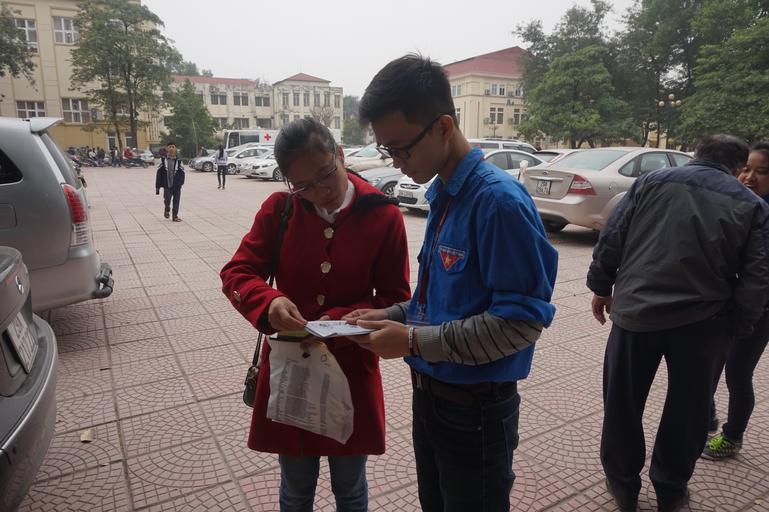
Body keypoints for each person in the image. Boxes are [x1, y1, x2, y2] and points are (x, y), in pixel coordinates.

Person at [344, 55, 558, 511]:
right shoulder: (444, 194)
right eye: (387, 151)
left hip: (475, 412)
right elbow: (441, 303)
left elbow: (521, 324)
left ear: (443, 127)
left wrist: (411, 341)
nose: (396, 162)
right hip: (431, 400)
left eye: (402, 149)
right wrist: (390, 316)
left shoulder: (497, 202)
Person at [220, 118, 410, 512]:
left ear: (339, 154)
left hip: (351, 371)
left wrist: (347, 318)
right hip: (292, 370)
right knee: (296, 488)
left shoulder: (382, 215)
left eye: (325, 175)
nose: (320, 192)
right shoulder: (281, 210)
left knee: (350, 488)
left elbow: (396, 298)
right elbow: (238, 272)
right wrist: (268, 301)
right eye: (303, 186)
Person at [587, 134, 769, 512]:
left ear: (695, 155)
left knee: (622, 404)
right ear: (737, 167)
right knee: (688, 413)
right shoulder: (751, 205)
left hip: (635, 315)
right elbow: (757, 277)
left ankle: (623, 485)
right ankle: (670, 490)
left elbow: (613, 237)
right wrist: (740, 324)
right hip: (704, 324)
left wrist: (601, 286)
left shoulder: (650, 182)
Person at [703, 141, 769, 460]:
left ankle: (732, 437)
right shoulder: (738, 204)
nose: (750, 177)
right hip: (724, 304)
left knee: (738, 372)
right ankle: (706, 417)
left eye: (762, 171)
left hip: (757, 310)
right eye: (746, 169)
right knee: (710, 364)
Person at [155, 143, 185, 222]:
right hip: (167, 185)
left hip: (176, 185)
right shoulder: (163, 160)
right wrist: (157, 187)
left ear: (175, 149)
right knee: (167, 200)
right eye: (170, 147)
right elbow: (159, 173)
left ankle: (175, 216)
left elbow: (182, 173)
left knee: (176, 201)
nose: (171, 148)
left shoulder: (179, 161)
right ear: (167, 149)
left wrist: (180, 183)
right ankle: (167, 208)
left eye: (173, 147)